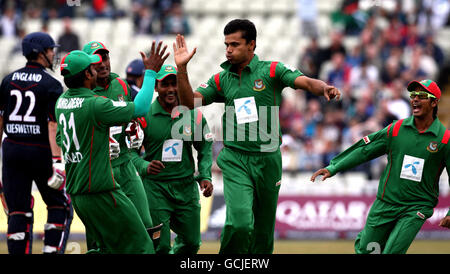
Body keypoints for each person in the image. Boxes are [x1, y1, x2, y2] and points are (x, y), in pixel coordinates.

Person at [173, 19, 341, 254]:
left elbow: (304, 81)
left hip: (268, 159)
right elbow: (189, 102)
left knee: (262, 235)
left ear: (251, 45)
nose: (228, 50)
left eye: (235, 44)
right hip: (235, 159)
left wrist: (322, 87)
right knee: (239, 224)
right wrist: (181, 69)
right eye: (226, 45)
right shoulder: (221, 79)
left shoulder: (272, 70)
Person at [311, 79, 450, 254]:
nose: (415, 99)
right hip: (385, 204)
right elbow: (365, 149)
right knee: (365, 250)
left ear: (434, 102)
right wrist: (334, 166)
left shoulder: (444, 140)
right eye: (413, 95)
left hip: (416, 208)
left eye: (422, 96)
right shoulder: (397, 129)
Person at [56, 41, 168, 253]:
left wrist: (135, 131)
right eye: (95, 62)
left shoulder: (62, 100)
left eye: (104, 57)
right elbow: (141, 107)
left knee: (141, 229)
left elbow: (67, 138)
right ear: (87, 74)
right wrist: (151, 72)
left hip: (113, 171)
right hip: (101, 179)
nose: (101, 64)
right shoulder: (94, 103)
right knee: (131, 244)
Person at [0, 32, 73, 254]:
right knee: (59, 204)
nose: (53, 53)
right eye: (51, 50)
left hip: (12, 150)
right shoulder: (51, 83)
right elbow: (53, 126)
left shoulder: (7, 80)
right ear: (40, 53)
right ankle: (51, 250)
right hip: (41, 151)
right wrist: (58, 161)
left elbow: (1, 120)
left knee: (17, 211)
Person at [130, 64, 213, 254]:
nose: (170, 89)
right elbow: (130, 152)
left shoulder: (193, 114)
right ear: (156, 87)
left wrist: (205, 176)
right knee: (161, 246)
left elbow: (205, 148)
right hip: (155, 189)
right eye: (165, 84)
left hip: (186, 188)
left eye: (174, 83)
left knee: (192, 243)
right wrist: (144, 165)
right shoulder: (144, 116)